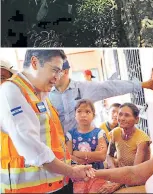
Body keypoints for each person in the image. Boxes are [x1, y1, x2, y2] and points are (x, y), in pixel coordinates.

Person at [0, 50, 95, 193]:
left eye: (60, 72)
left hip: (58, 183)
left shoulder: (40, 93)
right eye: (54, 70)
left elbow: (53, 142)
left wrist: (71, 167)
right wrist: (72, 171)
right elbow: (34, 150)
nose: (57, 78)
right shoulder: (10, 91)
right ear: (34, 62)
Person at [49, 59, 153, 134]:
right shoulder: (46, 94)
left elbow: (111, 87)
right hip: (60, 146)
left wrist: (142, 85)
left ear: (65, 71)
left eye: (54, 71)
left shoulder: (85, 88)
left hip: (86, 142)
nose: (51, 75)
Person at [98, 103, 151, 193]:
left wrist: (117, 183)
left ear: (137, 120)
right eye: (120, 114)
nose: (122, 118)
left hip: (137, 179)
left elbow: (135, 172)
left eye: (127, 115)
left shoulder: (142, 140)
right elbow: (109, 156)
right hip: (121, 177)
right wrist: (115, 173)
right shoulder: (116, 132)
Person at [66, 99, 108, 194]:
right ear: (75, 115)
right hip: (78, 177)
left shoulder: (100, 133)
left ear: (93, 115)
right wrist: (93, 155)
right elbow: (68, 157)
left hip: (98, 175)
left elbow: (101, 156)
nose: (83, 115)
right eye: (79, 111)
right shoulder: (70, 134)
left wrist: (77, 153)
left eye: (87, 111)